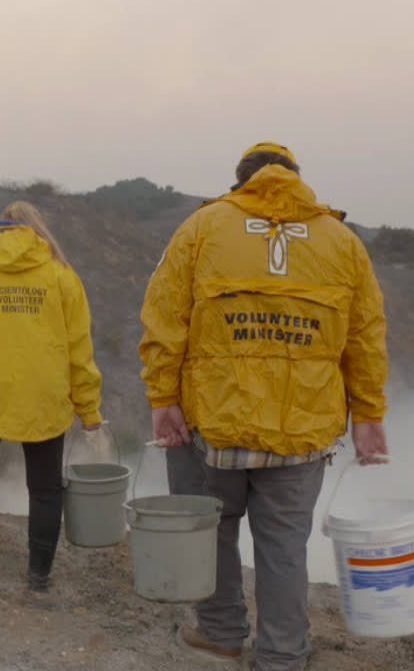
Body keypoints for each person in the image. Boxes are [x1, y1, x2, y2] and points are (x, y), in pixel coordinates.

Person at [139, 142, 389, 671]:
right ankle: (282, 655)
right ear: (297, 178)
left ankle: (223, 633)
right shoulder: (341, 242)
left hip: (212, 422)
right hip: (300, 431)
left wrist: (163, 399)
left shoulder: (201, 228)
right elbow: (365, 337)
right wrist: (368, 415)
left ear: (240, 183)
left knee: (213, 529)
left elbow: (164, 319)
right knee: (282, 546)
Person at [0, 201, 103, 592]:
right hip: (43, 391)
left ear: (0, 230)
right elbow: (80, 348)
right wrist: (89, 409)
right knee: (44, 486)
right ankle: (38, 575)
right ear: (37, 230)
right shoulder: (61, 275)